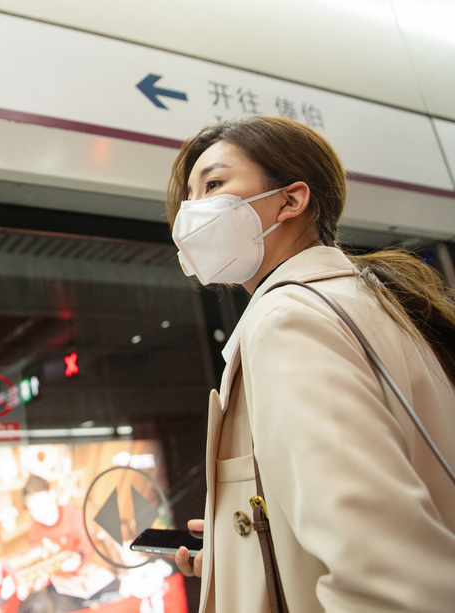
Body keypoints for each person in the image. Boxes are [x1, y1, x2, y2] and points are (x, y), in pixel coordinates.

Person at [165, 116, 455, 612]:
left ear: (291, 200)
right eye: (189, 197)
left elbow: (380, 567)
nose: (192, 212)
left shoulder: (286, 320)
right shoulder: (378, 302)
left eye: (213, 183)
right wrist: (235, 553)